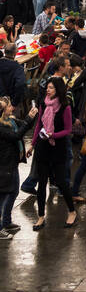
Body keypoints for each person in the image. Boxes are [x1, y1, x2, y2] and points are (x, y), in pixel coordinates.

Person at [31, 76, 77, 230]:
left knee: (61, 182)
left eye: (51, 88)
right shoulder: (44, 104)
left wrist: (53, 135)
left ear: (58, 90)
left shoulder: (65, 107)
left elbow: (68, 130)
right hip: (43, 147)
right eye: (47, 88)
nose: (47, 90)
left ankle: (72, 211)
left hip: (58, 147)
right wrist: (32, 144)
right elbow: (39, 124)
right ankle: (41, 216)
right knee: (41, 182)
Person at [0, 94, 37, 237]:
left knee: (14, 191)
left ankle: (7, 222)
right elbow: (16, 136)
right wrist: (28, 119)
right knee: (2, 196)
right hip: (4, 165)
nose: (12, 107)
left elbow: (26, 126)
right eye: (9, 106)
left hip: (12, 163)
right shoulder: (2, 127)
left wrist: (31, 117)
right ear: (3, 111)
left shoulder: (11, 121)